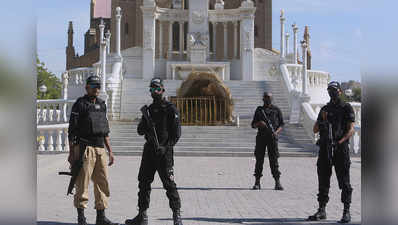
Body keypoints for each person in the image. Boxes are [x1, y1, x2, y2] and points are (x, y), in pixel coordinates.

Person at [125, 78, 183, 225]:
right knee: (144, 183)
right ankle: (142, 215)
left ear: (163, 90)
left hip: (164, 152)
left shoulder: (170, 108)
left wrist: (166, 147)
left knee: (169, 184)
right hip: (149, 152)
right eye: (151, 89)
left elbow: (176, 134)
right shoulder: (149, 110)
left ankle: (177, 216)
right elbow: (139, 131)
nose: (154, 92)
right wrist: (145, 122)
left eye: (157, 89)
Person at [67, 75, 118, 225]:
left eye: (98, 86)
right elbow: (72, 130)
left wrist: (110, 151)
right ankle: (81, 218)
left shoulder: (102, 104)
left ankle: (101, 217)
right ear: (87, 87)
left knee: (102, 183)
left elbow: (105, 130)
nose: (97, 89)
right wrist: (71, 153)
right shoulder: (80, 104)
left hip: (100, 148)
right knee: (82, 184)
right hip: (85, 148)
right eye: (94, 86)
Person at [307, 81, 355, 223]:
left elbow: (351, 129)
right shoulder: (325, 109)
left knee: (344, 182)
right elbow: (315, 129)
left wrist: (340, 142)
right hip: (325, 149)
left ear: (339, 91)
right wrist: (322, 121)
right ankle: (322, 210)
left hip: (340, 149)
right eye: (329, 90)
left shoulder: (346, 107)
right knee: (323, 180)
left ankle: (346, 211)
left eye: (334, 90)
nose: (331, 93)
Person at [251, 92, 284, 191]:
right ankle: (257, 182)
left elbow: (282, 124)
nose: (267, 99)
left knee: (274, 160)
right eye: (265, 97)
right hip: (261, 138)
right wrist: (259, 123)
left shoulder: (276, 110)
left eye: (268, 97)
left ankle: (277, 182)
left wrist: (276, 132)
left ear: (272, 98)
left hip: (272, 138)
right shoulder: (259, 110)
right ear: (263, 99)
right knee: (259, 160)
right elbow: (252, 125)